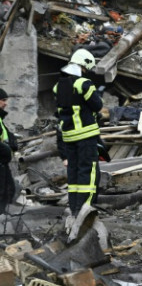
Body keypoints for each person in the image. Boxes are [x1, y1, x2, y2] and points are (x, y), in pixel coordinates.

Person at [54, 49, 104, 217]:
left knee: (73, 171)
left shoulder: (57, 86)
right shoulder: (84, 84)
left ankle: (75, 207)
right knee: (88, 171)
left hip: (68, 136)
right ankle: (86, 207)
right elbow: (97, 105)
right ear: (84, 65)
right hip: (85, 135)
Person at [0, 88, 18, 214]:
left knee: (8, 189)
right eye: (3, 100)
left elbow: (5, 134)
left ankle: (3, 216)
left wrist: (12, 141)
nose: (5, 103)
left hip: (2, 162)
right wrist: (6, 150)